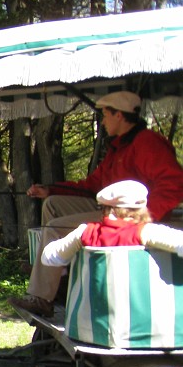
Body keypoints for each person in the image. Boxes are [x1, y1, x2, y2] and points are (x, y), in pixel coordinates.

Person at [10, 91, 183, 316]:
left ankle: (41, 296)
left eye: (105, 115)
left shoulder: (147, 143)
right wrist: (50, 189)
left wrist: (144, 219)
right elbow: (93, 185)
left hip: (127, 217)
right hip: (107, 209)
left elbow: (175, 184)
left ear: (119, 116)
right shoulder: (118, 148)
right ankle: (58, 276)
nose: (102, 121)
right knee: (53, 203)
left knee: (56, 227)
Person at [40, 180, 183, 266]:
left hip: (95, 312)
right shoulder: (146, 232)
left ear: (106, 209)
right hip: (142, 311)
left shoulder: (86, 232)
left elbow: (49, 257)